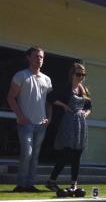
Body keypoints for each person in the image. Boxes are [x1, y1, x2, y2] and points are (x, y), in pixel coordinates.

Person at [6, 46, 53, 192]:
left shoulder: (47, 79)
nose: (39, 59)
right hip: (25, 123)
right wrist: (20, 116)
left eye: (41, 57)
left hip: (41, 124)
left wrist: (49, 118)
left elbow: (48, 102)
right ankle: (21, 185)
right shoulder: (21, 76)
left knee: (35, 155)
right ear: (29, 57)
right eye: (36, 56)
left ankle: (30, 184)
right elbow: (10, 98)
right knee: (27, 153)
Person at [45, 63, 92, 192]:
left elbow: (89, 108)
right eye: (78, 74)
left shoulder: (84, 90)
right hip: (67, 124)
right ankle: (52, 180)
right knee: (66, 154)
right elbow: (50, 98)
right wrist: (64, 106)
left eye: (83, 74)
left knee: (77, 154)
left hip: (80, 125)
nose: (81, 77)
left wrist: (85, 114)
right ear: (72, 74)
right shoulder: (65, 87)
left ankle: (73, 184)